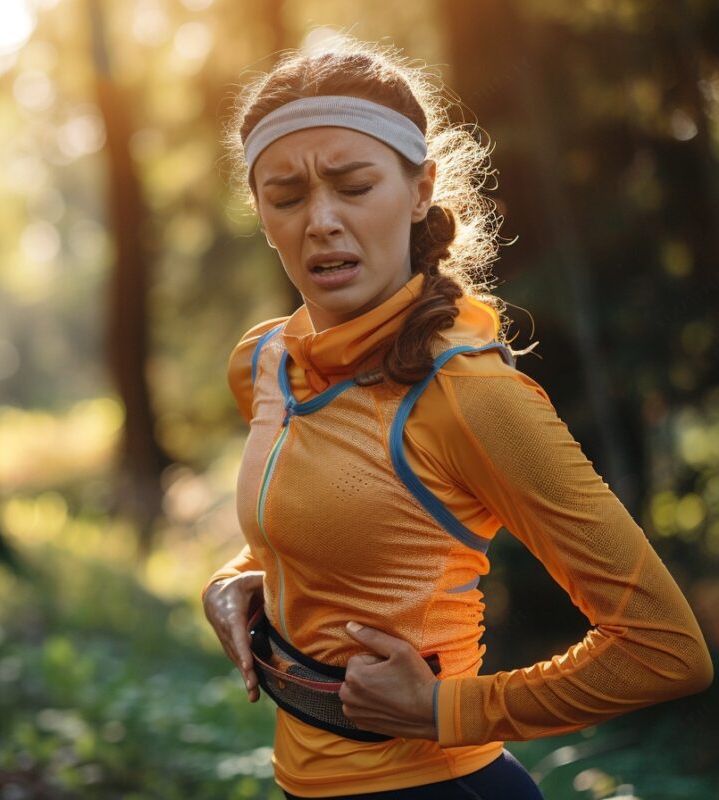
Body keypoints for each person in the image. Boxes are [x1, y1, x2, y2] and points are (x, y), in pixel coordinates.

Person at [201, 36, 714, 800]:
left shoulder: (465, 392)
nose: (322, 221)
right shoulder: (268, 362)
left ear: (419, 191)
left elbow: (666, 650)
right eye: (287, 197)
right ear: (262, 214)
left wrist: (448, 708)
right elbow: (336, 521)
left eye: (353, 185)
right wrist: (239, 578)